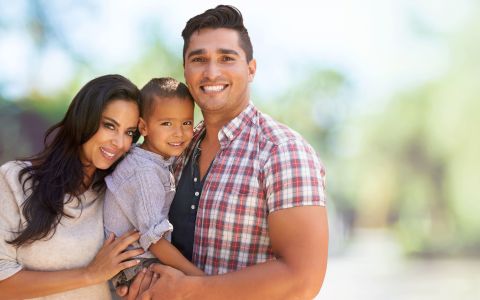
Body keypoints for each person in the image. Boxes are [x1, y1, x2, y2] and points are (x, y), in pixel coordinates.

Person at [122, 5, 329, 299]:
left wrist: (189, 290)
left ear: (251, 69)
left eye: (226, 58)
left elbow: (302, 280)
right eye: (199, 59)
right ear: (186, 71)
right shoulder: (173, 151)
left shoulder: (282, 152)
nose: (212, 72)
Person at [0, 74, 145, 299]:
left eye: (129, 132)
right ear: (83, 118)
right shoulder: (14, 180)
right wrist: (90, 274)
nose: (120, 143)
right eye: (109, 126)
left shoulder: (115, 194)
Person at [104, 77, 204, 288]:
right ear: (144, 127)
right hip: (134, 267)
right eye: (167, 123)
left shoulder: (155, 158)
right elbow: (155, 240)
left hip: (143, 258)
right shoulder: (143, 172)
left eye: (186, 123)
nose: (178, 132)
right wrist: (199, 279)